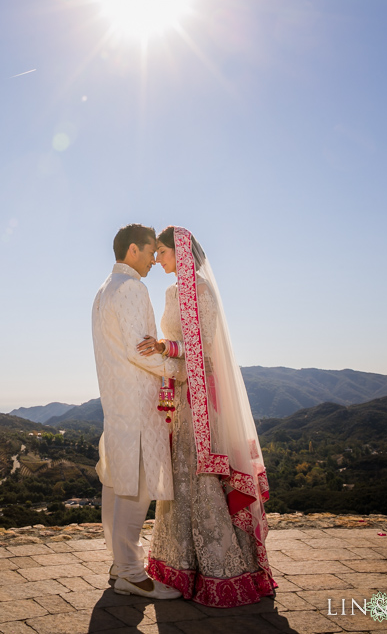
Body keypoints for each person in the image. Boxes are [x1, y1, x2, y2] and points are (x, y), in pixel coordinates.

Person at [136, 226, 277, 607]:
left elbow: (204, 348)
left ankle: (221, 569)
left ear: (179, 252)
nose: (158, 258)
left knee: (200, 479)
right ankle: (178, 564)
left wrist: (165, 346)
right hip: (180, 397)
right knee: (180, 477)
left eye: (162, 252)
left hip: (200, 399)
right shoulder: (170, 292)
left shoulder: (201, 290)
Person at [91, 223, 186, 599]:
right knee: (138, 488)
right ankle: (131, 572)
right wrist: (180, 371)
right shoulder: (132, 287)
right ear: (133, 250)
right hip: (138, 404)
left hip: (117, 404)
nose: (152, 260)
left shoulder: (104, 290)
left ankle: (119, 565)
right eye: (150, 252)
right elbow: (138, 349)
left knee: (118, 485)